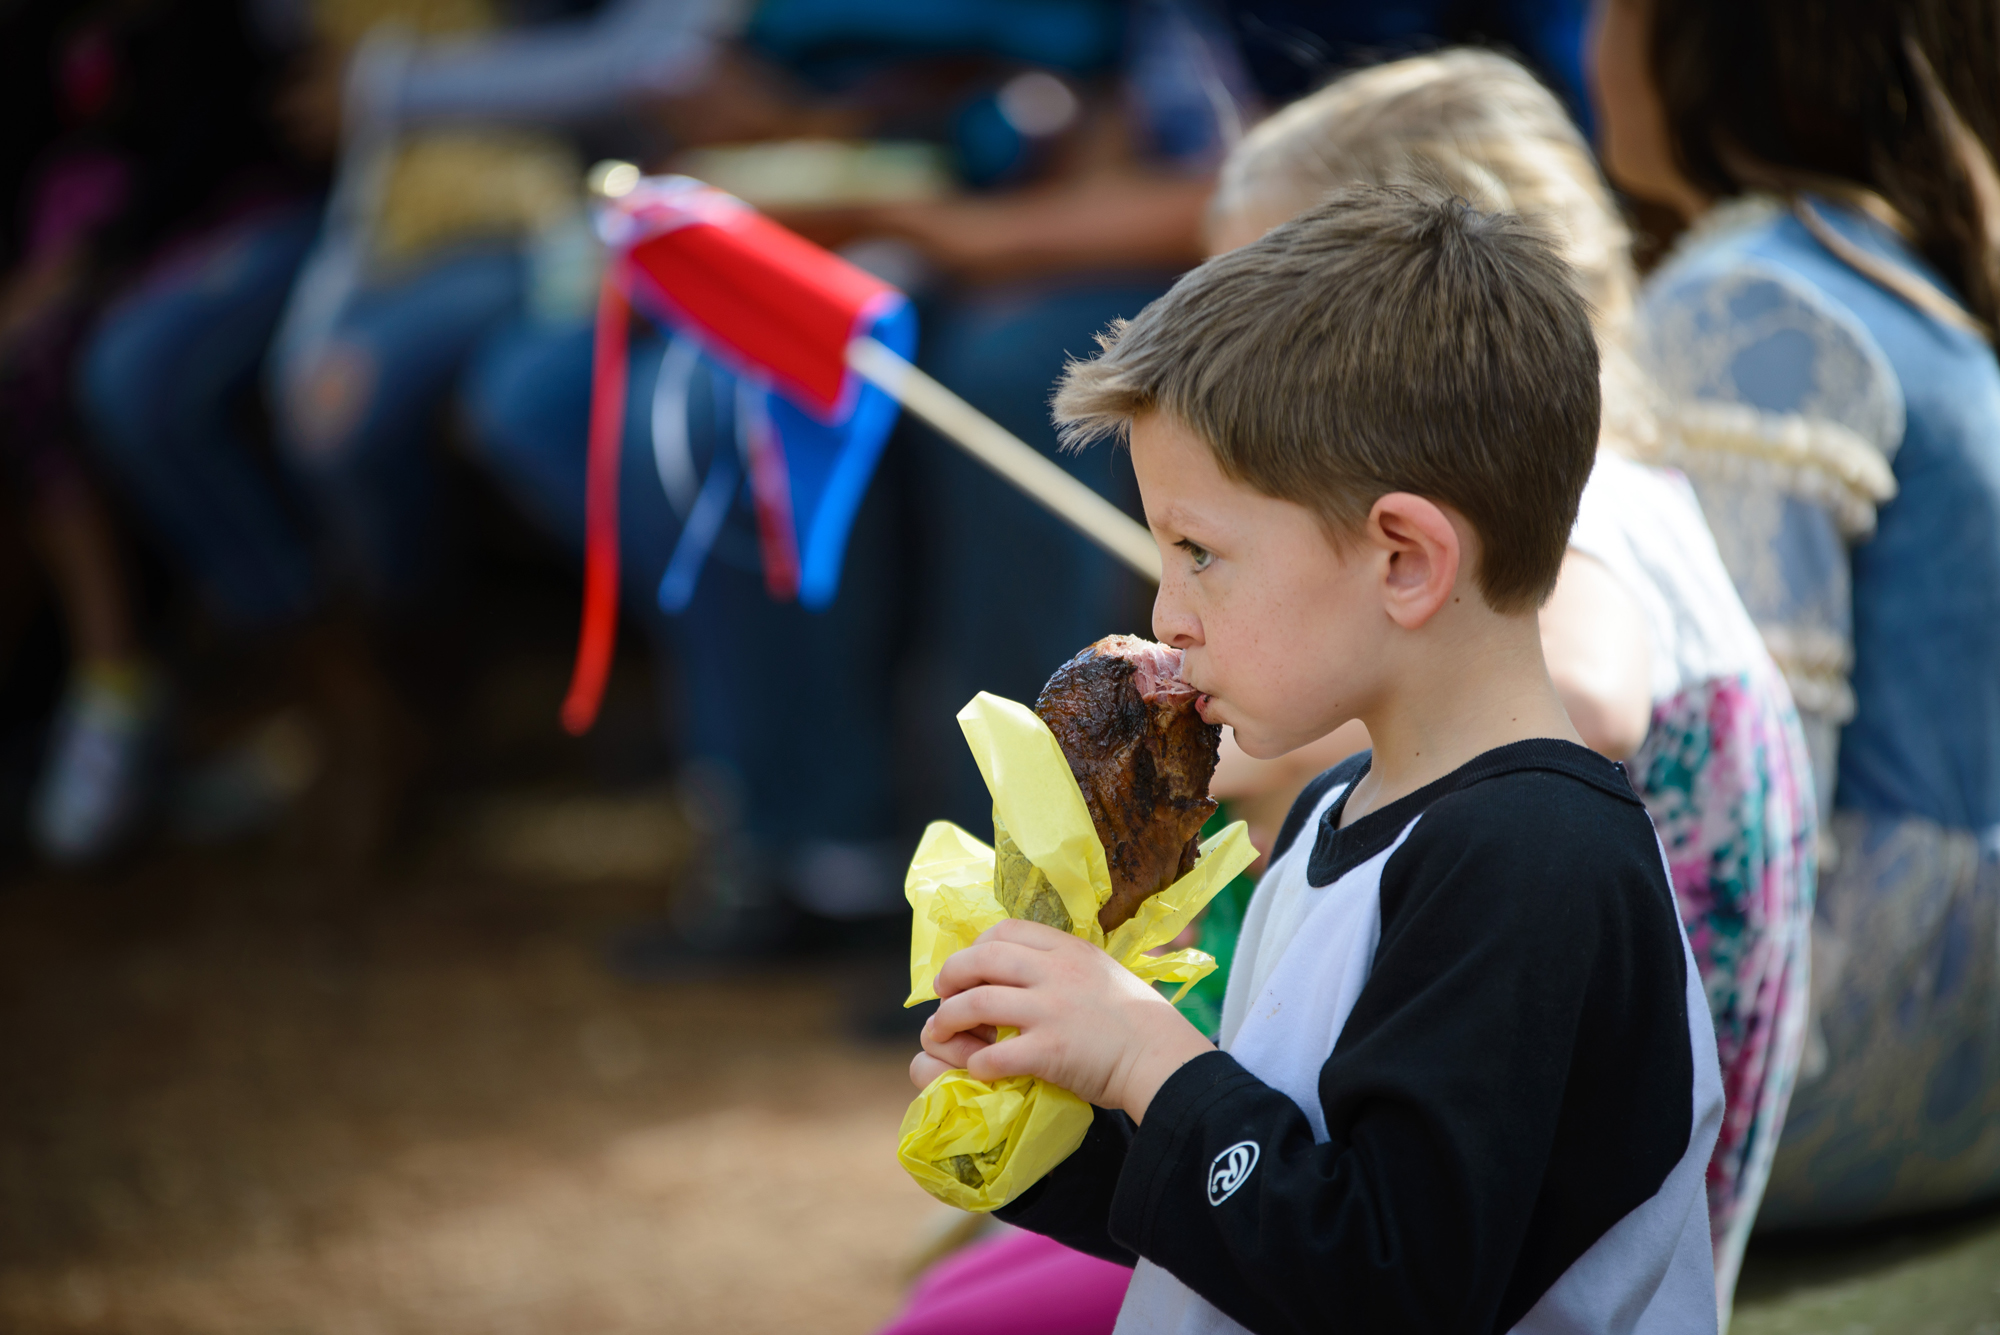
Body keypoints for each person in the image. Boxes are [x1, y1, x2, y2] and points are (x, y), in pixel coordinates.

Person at [912, 186, 1723, 1333]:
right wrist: (1051, 1122)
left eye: (1199, 552)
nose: (1165, 610)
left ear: (1403, 560)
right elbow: (1274, 1221)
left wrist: (1148, 1054)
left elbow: (1390, 1279)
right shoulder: (1334, 812)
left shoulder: (1533, 862)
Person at [1187, 50, 1815, 1319]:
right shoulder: (1590, 494)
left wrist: (1265, 750)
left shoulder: (1581, 533)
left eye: (1273, 307)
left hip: (1550, 1156)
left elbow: (1582, 696)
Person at [1591, 0, 2000, 1226]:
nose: (1590, 41)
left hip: (1869, 1043)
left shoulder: (1749, 305)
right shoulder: (1895, 263)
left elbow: (1739, 832)